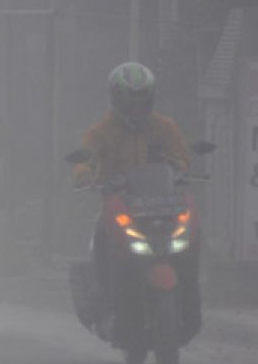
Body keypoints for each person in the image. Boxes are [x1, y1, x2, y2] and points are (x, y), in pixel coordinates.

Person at [74, 62, 194, 338]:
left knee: (191, 242)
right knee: (102, 242)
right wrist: (84, 174)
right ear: (117, 99)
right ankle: (104, 300)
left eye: (142, 98)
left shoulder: (165, 127)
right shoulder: (101, 131)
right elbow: (86, 158)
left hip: (163, 206)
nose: (137, 105)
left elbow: (182, 158)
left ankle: (189, 303)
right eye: (131, 99)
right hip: (119, 207)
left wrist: (178, 166)